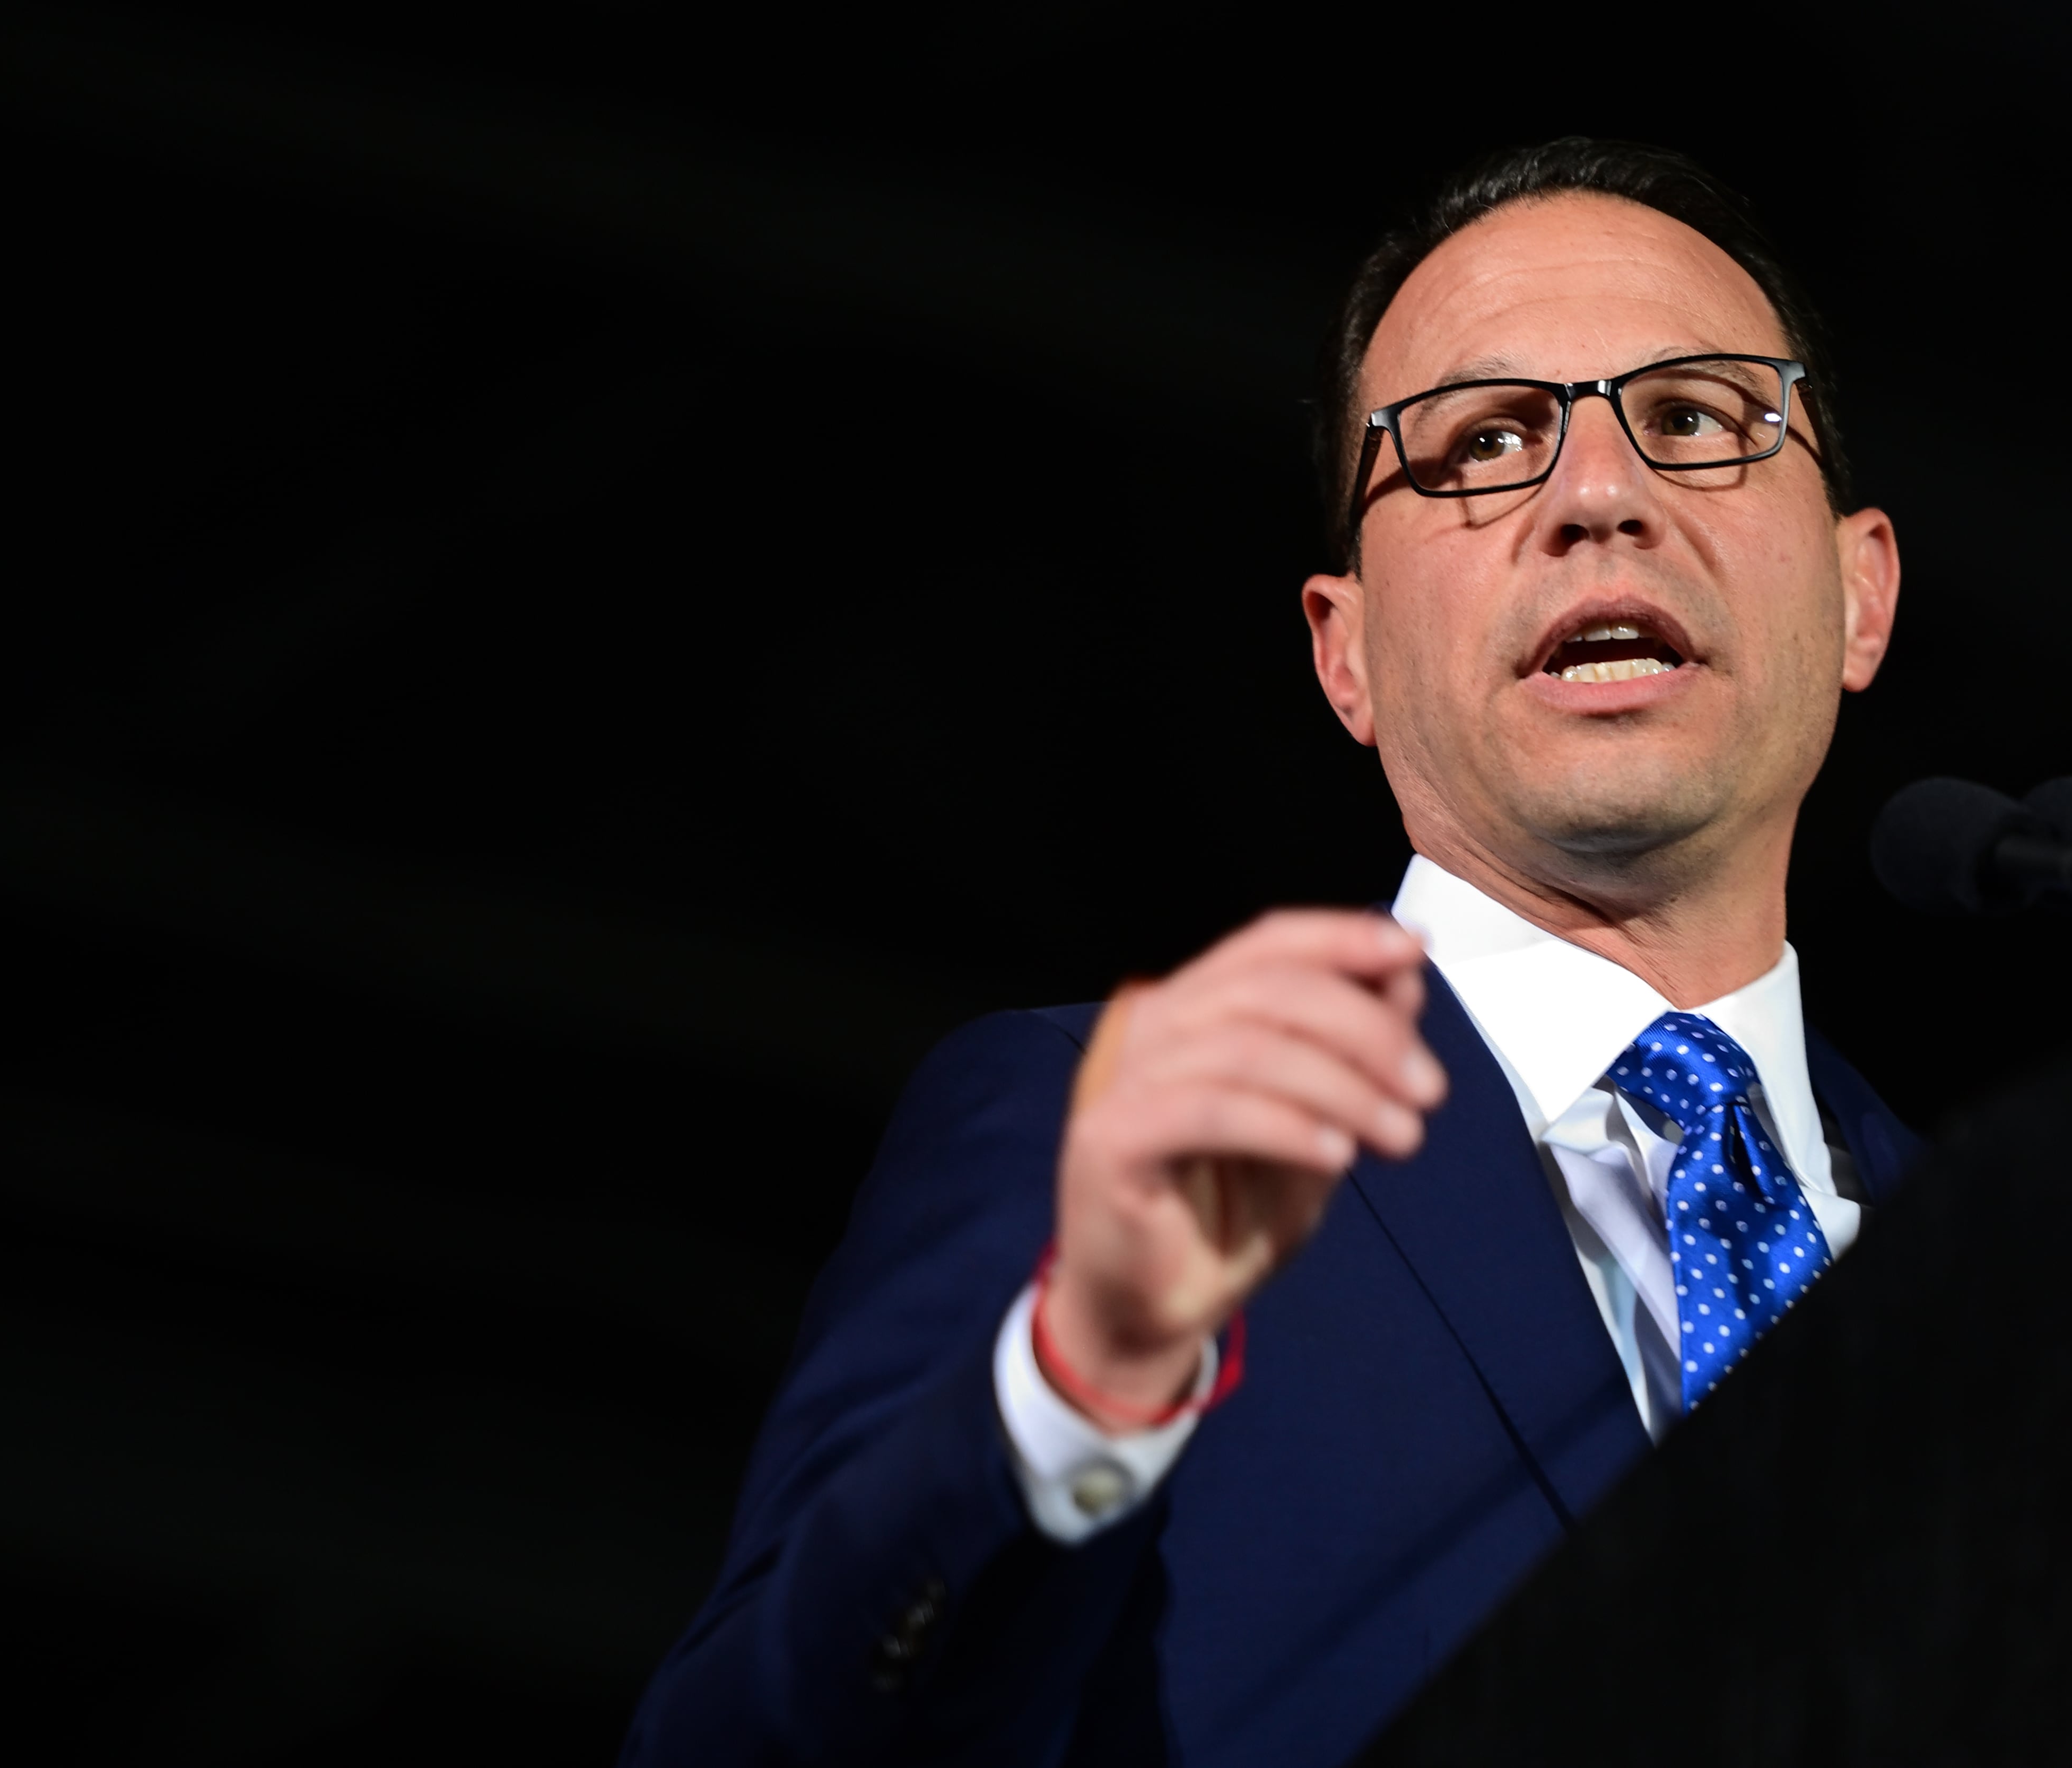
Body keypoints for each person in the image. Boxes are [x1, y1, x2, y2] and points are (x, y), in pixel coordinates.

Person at [622, 137, 1916, 1768]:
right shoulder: (1100, 1141)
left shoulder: (2043, 1266)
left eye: (1698, 419)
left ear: (1861, 595)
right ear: (1345, 652)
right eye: (1484, 442)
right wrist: (1078, 1385)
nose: (1599, 496)